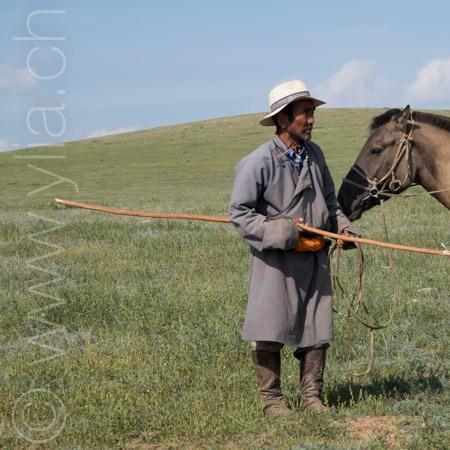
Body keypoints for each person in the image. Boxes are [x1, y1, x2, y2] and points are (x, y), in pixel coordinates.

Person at [229, 80, 358, 417]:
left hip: (315, 258)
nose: (312, 120)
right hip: (276, 261)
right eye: (305, 113)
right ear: (283, 120)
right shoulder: (257, 162)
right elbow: (240, 215)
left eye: (312, 113)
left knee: (317, 329)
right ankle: (272, 401)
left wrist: (342, 227)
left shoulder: (315, 155)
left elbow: (330, 202)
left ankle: (311, 397)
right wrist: (285, 233)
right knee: (268, 327)